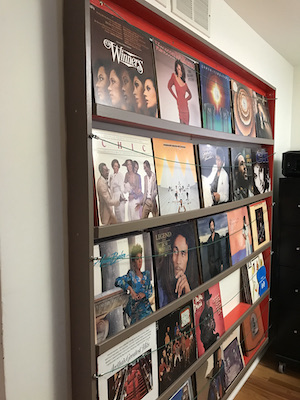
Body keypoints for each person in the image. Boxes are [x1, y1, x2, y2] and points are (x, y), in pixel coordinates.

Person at [157, 225, 199, 307]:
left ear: (189, 257)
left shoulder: (194, 282)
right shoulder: (160, 287)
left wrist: (188, 294)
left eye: (183, 253)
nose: (178, 261)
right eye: (175, 252)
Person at [115, 243, 153, 325]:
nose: (140, 261)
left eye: (141, 258)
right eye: (137, 259)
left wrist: (144, 294)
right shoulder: (131, 276)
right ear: (133, 262)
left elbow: (150, 291)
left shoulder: (146, 275)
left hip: (148, 312)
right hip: (136, 316)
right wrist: (130, 289)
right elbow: (118, 281)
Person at [167, 59, 192, 124]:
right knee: (181, 125)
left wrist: (185, 100)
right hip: (180, 107)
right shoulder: (173, 77)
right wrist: (176, 98)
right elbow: (169, 87)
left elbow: (190, 95)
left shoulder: (185, 84)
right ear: (176, 69)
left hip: (186, 109)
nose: (180, 72)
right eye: (178, 69)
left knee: (186, 128)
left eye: (181, 69)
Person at [108, 159, 126, 223]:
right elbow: (110, 187)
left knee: (121, 215)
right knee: (117, 215)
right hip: (114, 196)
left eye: (117, 166)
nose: (116, 167)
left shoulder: (120, 175)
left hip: (119, 195)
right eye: (115, 166)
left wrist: (121, 196)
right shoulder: (111, 176)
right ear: (113, 167)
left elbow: (122, 186)